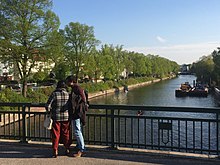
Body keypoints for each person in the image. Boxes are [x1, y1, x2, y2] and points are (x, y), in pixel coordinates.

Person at [45, 80, 71, 158]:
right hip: (66, 117)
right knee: (66, 133)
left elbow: (47, 105)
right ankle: (67, 148)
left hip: (56, 117)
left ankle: (55, 150)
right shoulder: (68, 94)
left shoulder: (54, 94)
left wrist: (49, 112)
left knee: (56, 134)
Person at [66, 75, 88, 157]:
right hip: (77, 112)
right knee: (77, 130)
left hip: (77, 113)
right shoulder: (76, 88)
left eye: (67, 81)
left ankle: (82, 149)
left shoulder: (77, 88)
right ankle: (79, 146)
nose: (67, 83)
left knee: (77, 130)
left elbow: (83, 99)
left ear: (71, 81)